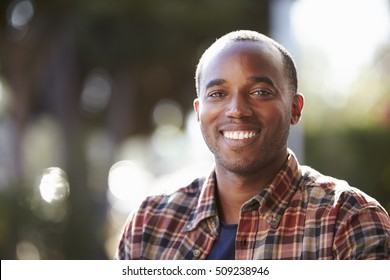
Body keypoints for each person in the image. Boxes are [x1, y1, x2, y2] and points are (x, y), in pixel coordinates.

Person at [115, 30, 390, 260]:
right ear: (199, 111)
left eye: (260, 92)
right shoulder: (149, 224)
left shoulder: (348, 221)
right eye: (218, 94)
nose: (236, 110)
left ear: (295, 109)